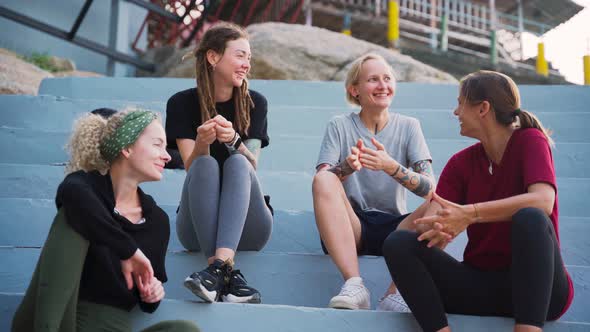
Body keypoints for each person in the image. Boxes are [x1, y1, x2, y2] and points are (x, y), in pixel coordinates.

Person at [383, 70, 574, 332]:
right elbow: (435, 220)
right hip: (480, 287)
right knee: (399, 242)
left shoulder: (531, 140)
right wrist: (435, 227)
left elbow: (543, 201)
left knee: (530, 216)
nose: (456, 112)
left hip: (541, 291)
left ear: (483, 108)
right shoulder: (460, 163)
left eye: (461, 103)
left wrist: (471, 213)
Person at [12, 109, 200, 332]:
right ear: (127, 148)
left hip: (116, 325)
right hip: (63, 320)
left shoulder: (157, 220)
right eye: (157, 144)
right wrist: (128, 250)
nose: (167, 156)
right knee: (72, 220)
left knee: (184, 329)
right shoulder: (83, 189)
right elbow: (73, 194)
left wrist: (152, 294)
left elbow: (147, 296)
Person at [312, 53, 436, 311]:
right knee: (324, 180)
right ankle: (354, 285)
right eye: (373, 80)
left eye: (387, 78)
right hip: (352, 225)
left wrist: (391, 167)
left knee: (442, 202)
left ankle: (394, 294)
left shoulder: (410, 126)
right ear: (354, 90)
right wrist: (346, 167)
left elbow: (430, 188)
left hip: (397, 227)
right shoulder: (339, 125)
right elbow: (324, 175)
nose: (382, 86)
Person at [165, 22, 272, 304]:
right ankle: (226, 272)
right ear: (213, 57)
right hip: (196, 229)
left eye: (249, 57)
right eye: (240, 55)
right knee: (205, 165)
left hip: (251, 226)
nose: (246, 64)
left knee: (238, 164)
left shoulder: (255, 103)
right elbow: (192, 168)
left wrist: (234, 140)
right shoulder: (180, 103)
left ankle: (215, 270)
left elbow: (253, 165)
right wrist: (202, 142)